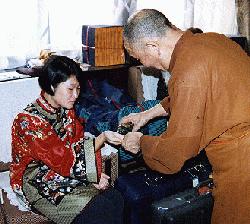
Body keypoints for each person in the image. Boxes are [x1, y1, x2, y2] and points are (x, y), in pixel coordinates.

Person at [120, 9, 250, 224]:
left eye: (140, 57)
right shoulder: (213, 40)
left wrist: (141, 142)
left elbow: (176, 151)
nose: (146, 64)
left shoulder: (187, 71)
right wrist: (147, 114)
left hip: (242, 164)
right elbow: (199, 93)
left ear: (152, 46)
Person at [10, 55, 124, 224]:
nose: (76, 95)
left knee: (115, 198)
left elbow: (77, 143)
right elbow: (64, 160)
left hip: (65, 169)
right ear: (51, 86)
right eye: (71, 89)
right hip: (37, 179)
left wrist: (94, 176)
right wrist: (102, 138)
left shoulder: (65, 109)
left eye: (78, 89)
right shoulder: (29, 121)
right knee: (99, 210)